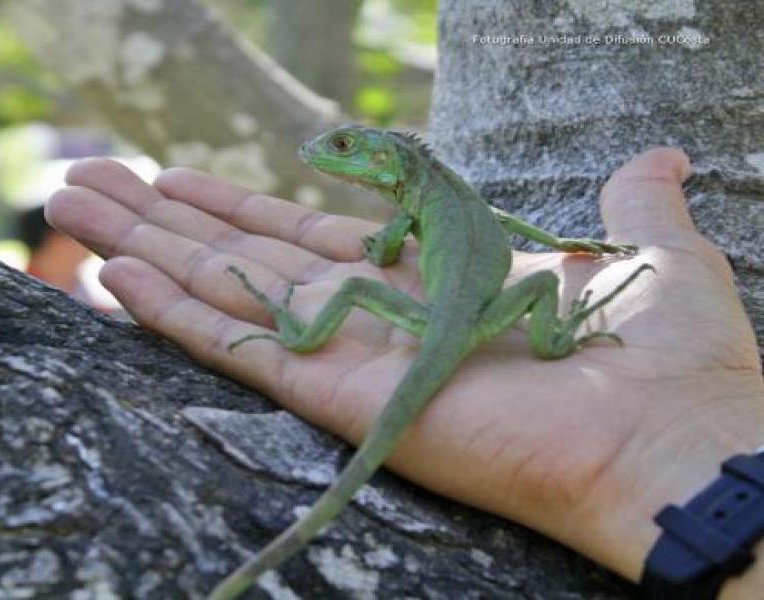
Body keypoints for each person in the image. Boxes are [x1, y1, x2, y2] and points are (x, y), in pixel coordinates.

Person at [46, 147, 764, 598]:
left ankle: (296, 332)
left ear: (390, 165)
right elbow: (513, 227)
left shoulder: (417, 208)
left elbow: (385, 259)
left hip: (437, 321)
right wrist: (567, 247)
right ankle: (558, 338)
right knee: (546, 286)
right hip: (493, 319)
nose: (330, 159)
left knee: (357, 290)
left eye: (347, 151)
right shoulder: (453, 198)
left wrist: (385, 242)